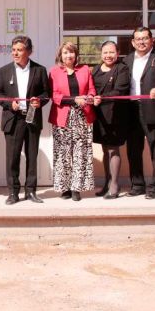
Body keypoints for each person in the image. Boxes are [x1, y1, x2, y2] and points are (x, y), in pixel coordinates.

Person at [0, 35, 50, 205]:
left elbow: (46, 94)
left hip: (32, 119)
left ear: (29, 51)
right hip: (13, 119)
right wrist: (11, 104)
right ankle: (13, 192)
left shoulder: (39, 70)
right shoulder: (4, 71)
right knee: (13, 158)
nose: (15, 53)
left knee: (32, 157)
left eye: (19, 50)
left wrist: (39, 101)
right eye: (13, 50)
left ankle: (31, 192)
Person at [122, 27, 155, 199]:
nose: (141, 42)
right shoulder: (127, 60)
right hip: (131, 109)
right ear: (132, 42)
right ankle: (137, 185)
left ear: (153, 40)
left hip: (154, 108)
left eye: (145, 38)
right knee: (133, 149)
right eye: (138, 39)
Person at [48, 41, 96, 202]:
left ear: (76, 55)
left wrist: (88, 98)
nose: (69, 55)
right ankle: (65, 188)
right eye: (65, 53)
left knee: (80, 153)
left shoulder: (85, 70)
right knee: (63, 153)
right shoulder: (54, 72)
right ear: (60, 56)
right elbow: (54, 96)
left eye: (71, 52)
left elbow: (91, 91)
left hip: (82, 116)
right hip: (62, 117)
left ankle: (77, 188)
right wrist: (74, 99)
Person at [91, 41, 131, 199]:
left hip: (116, 115)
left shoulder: (122, 68)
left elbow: (120, 90)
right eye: (105, 52)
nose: (108, 55)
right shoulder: (95, 69)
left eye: (111, 52)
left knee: (113, 149)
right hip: (99, 115)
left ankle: (114, 185)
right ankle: (107, 183)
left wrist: (101, 97)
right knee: (104, 149)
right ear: (101, 54)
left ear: (118, 52)